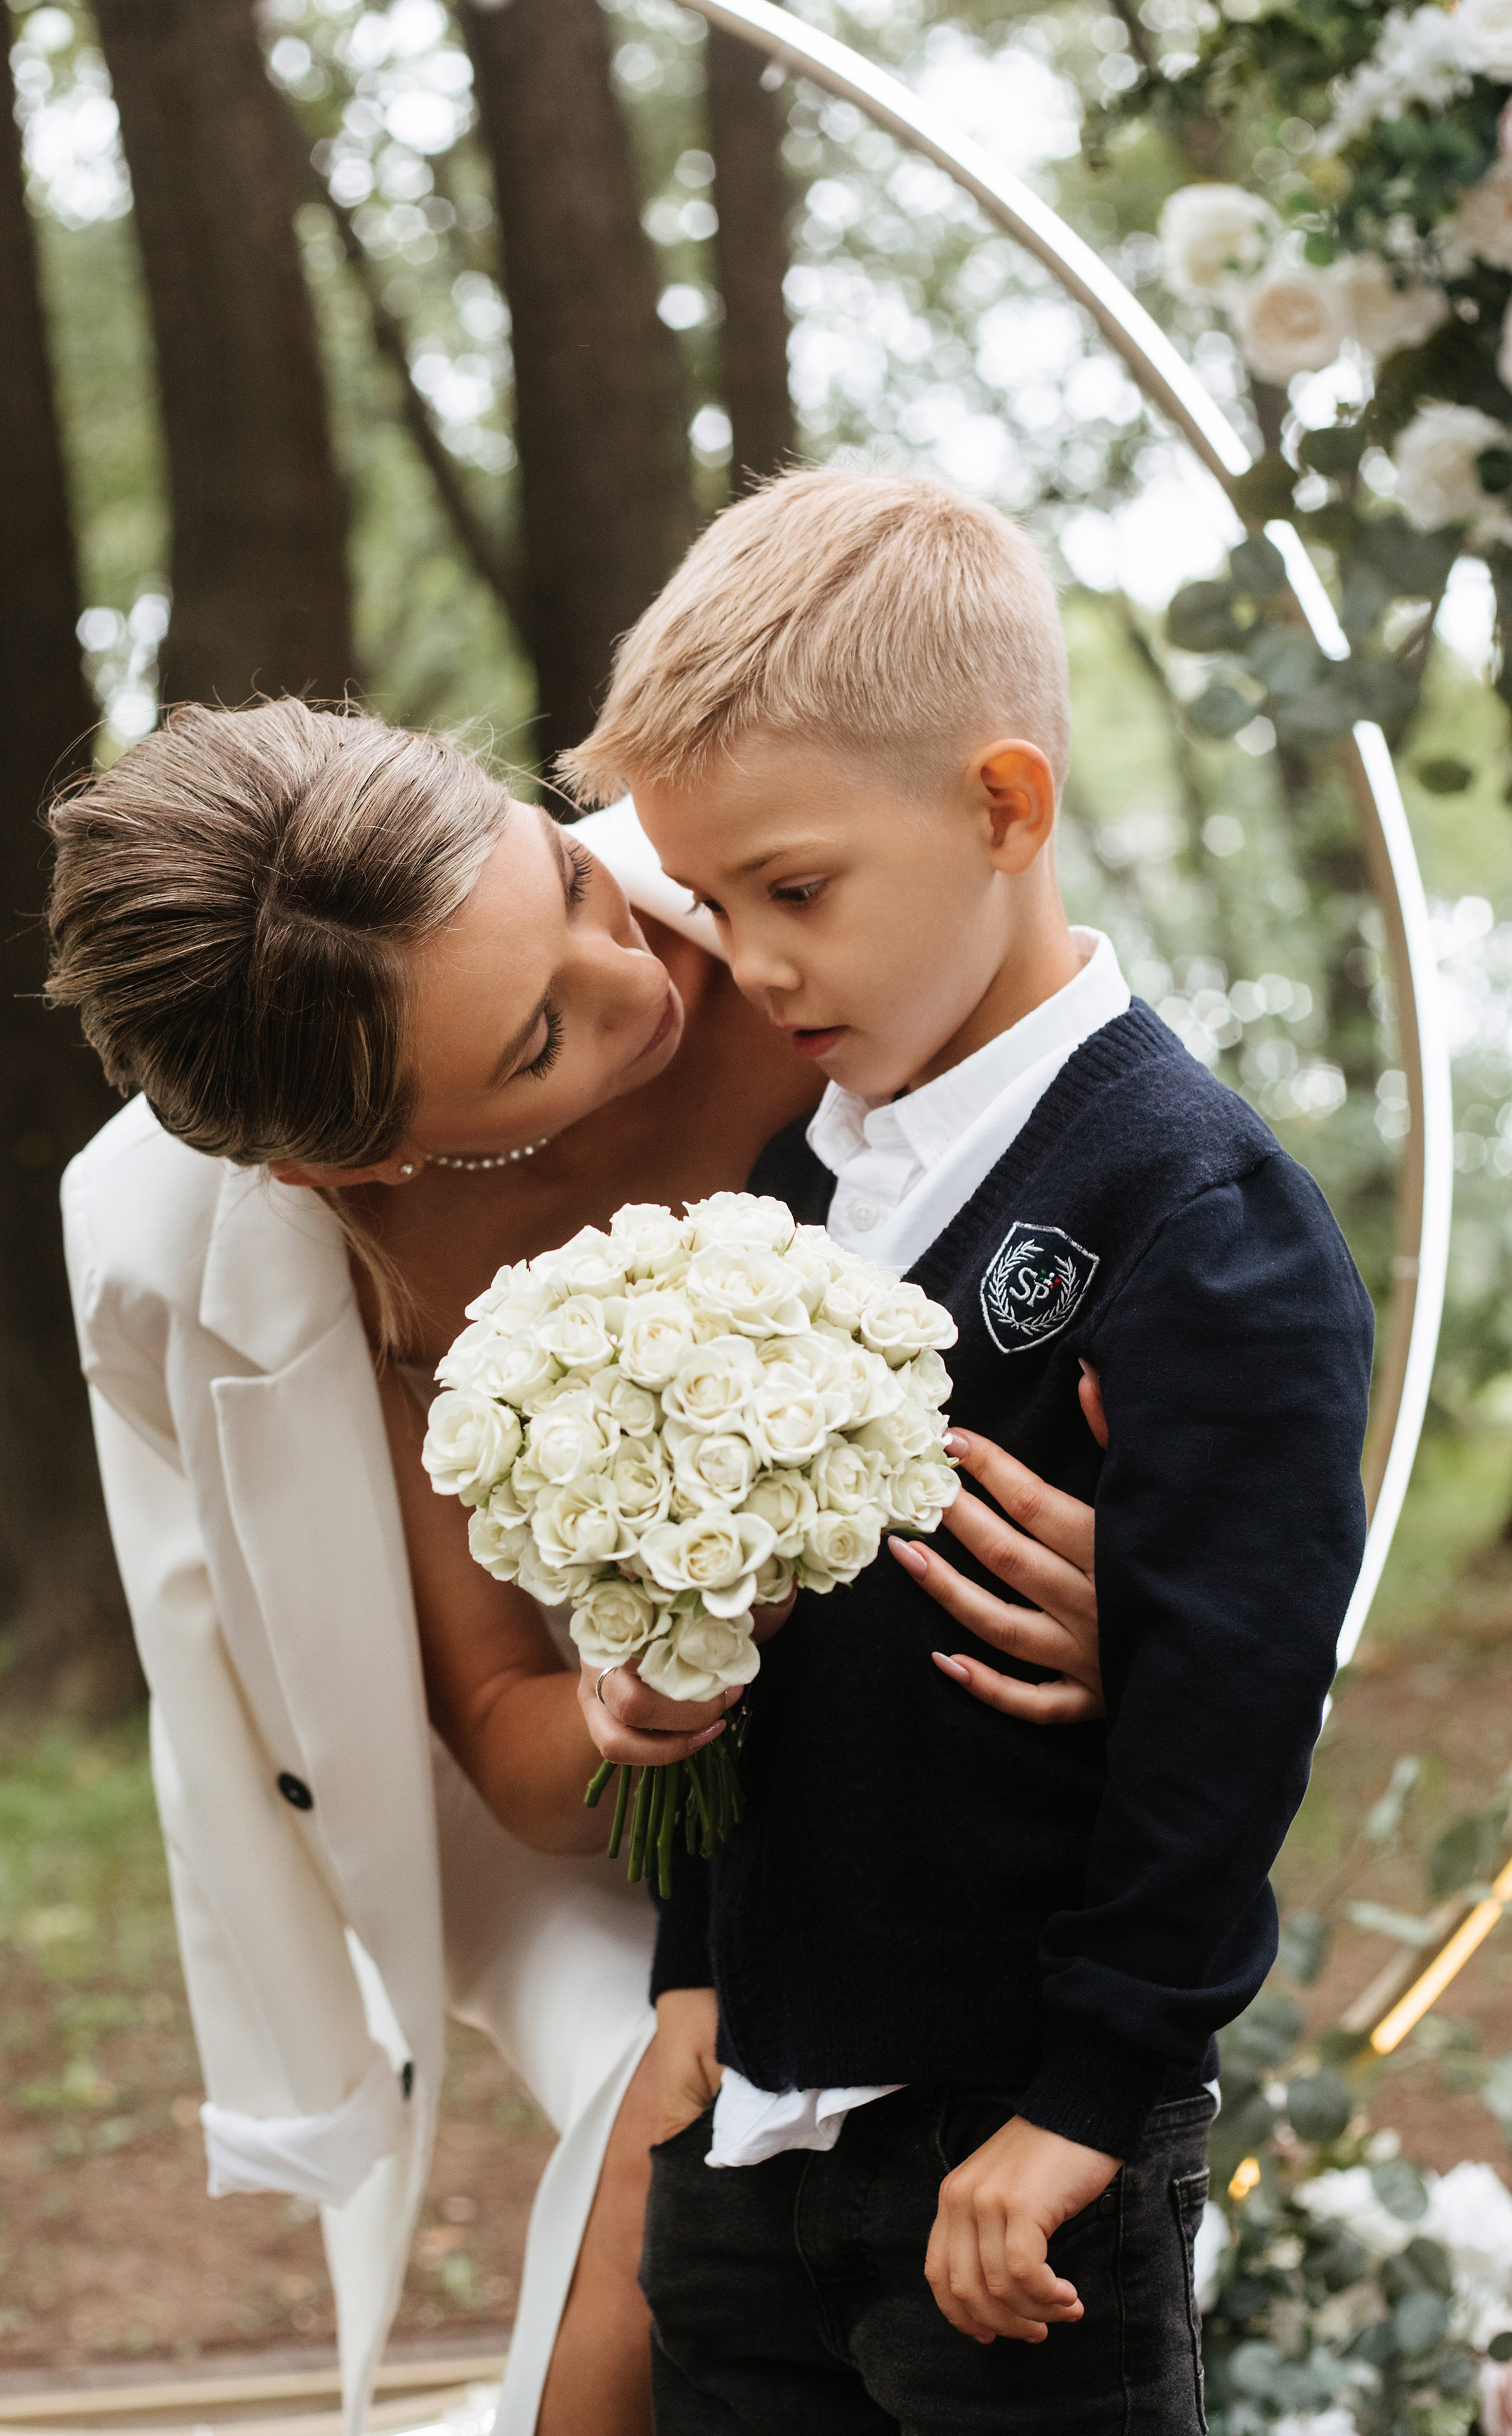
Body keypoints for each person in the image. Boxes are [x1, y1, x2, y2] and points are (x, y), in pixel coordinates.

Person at [44, 699, 1105, 2436]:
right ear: (358, 1158)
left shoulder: (803, 919)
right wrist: (637, 1705)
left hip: (943, 1739)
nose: (655, 977)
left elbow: (1164, 1241)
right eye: (541, 1034)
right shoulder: (294, 1253)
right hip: (581, 1813)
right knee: (667, 2091)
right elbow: (499, 1737)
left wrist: (1133, 1590)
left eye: (569, 880)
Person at [563, 467, 1374, 2435]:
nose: (750, 963)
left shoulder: (1192, 1213)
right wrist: (696, 1970)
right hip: (751, 2128)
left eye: (798, 888)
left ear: (1004, 809)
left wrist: (1088, 2098)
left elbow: (1231, 1706)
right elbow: (760, 1639)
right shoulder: (790, 1185)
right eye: (715, 902)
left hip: (1010, 2158)